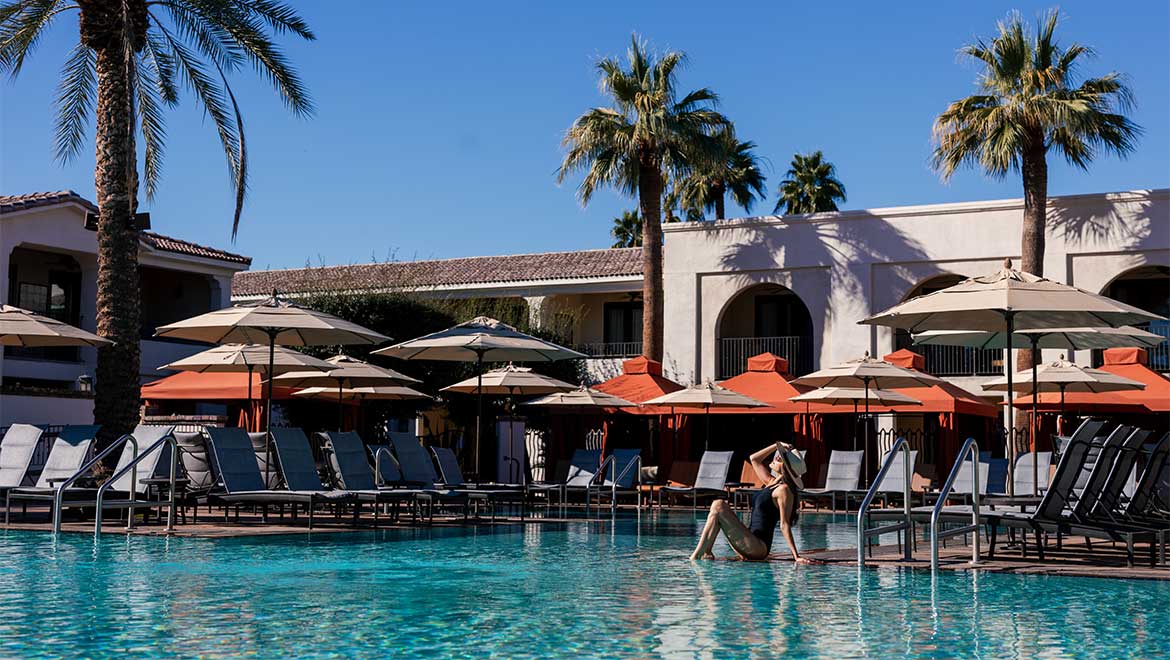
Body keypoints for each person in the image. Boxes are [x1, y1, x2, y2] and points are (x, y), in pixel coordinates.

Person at [690, 441, 815, 563]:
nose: (776, 457)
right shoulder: (771, 482)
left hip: (758, 548)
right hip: (748, 541)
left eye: (780, 458)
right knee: (716, 507)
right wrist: (776, 445)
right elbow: (754, 459)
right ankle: (706, 551)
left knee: (719, 505)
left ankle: (698, 554)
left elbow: (784, 525)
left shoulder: (784, 490)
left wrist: (796, 557)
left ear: (785, 468)